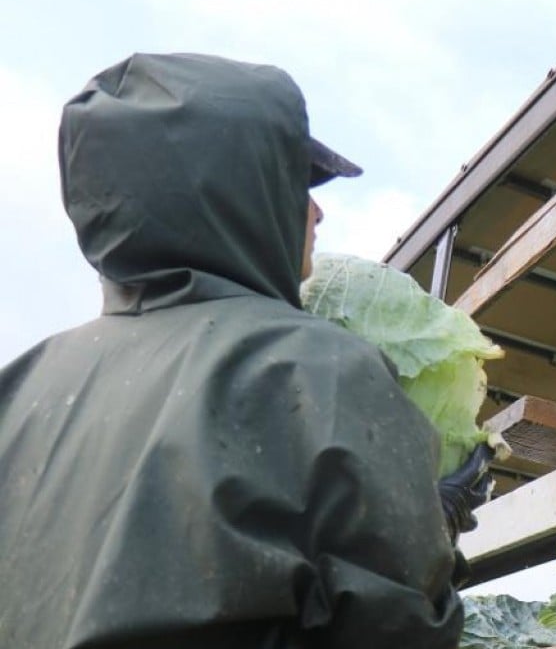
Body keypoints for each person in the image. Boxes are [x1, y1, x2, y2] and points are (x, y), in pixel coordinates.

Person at [0, 53, 487, 648]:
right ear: (237, 194)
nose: (318, 209)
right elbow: (395, 632)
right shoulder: (317, 370)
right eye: (296, 182)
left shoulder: (20, 390)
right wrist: (427, 534)